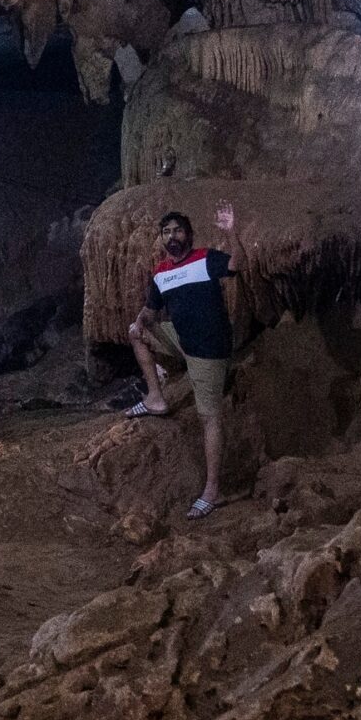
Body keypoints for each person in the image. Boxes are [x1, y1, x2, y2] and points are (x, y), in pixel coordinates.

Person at [125, 203, 237, 518]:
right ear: (162, 238)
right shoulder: (161, 272)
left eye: (177, 230)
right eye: (166, 232)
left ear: (188, 234)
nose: (172, 236)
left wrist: (233, 234)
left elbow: (238, 265)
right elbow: (150, 311)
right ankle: (156, 398)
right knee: (136, 333)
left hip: (208, 349)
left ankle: (212, 491)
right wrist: (138, 322)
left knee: (209, 418)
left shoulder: (206, 258)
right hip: (181, 339)